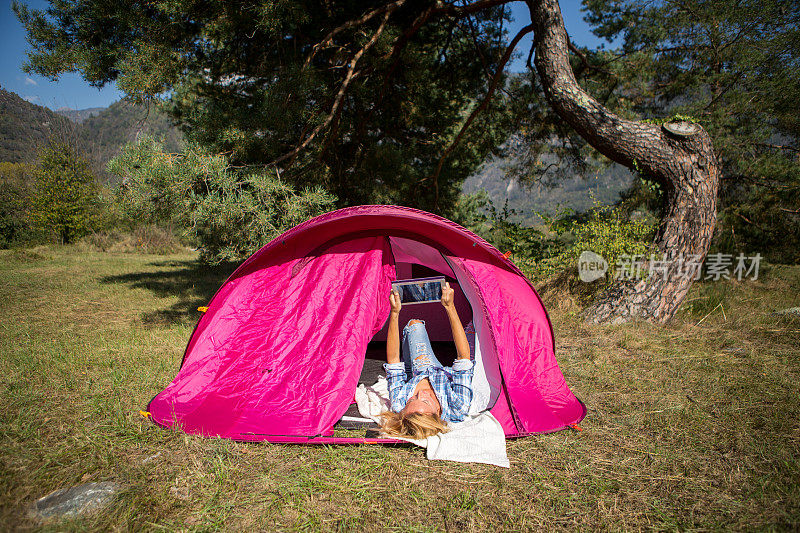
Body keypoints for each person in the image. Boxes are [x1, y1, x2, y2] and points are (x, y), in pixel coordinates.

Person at [380, 281, 474, 439]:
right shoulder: (458, 407)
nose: (421, 393)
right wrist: (450, 306)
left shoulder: (398, 404)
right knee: (473, 333)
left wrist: (395, 313)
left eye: (413, 398)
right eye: (426, 400)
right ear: (438, 413)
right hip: (436, 370)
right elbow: (463, 358)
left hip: (417, 372)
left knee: (413, 324)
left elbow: (394, 361)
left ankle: (408, 366)